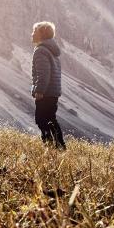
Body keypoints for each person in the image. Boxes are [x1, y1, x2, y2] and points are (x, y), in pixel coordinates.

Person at [31, 21, 66, 150]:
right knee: (50, 119)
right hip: (53, 92)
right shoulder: (52, 50)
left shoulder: (41, 51)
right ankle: (58, 146)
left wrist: (39, 90)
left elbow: (43, 73)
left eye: (34, 32)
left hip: (45, 93)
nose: (32, 34)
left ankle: (52, 146)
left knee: (41, 119)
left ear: (42, 35)